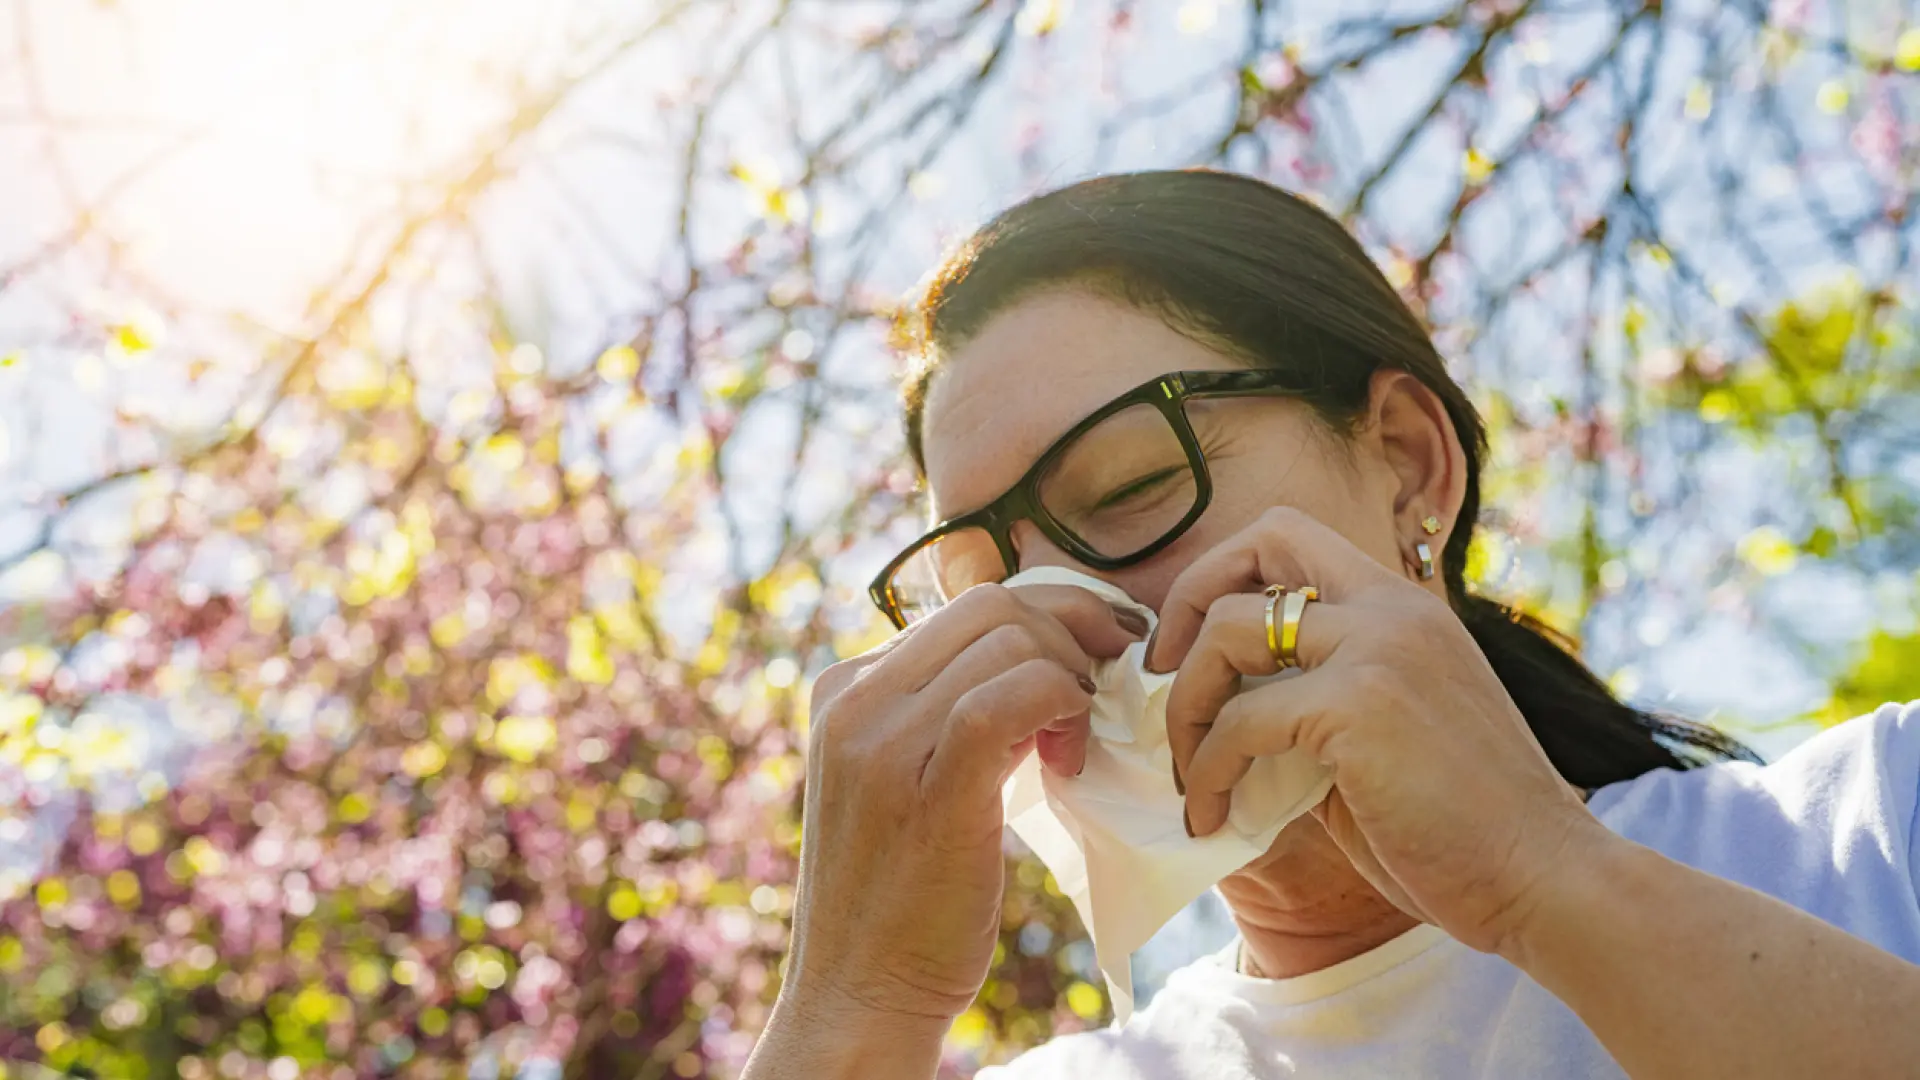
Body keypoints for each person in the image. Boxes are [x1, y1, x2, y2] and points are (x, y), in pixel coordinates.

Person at [740, 170, 1920, 1079]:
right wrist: (849, 1014)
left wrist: (1542, 879)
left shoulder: (1879, 824)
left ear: (1407, 467)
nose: (1062, 622)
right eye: (979, 585)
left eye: (1131, 490)